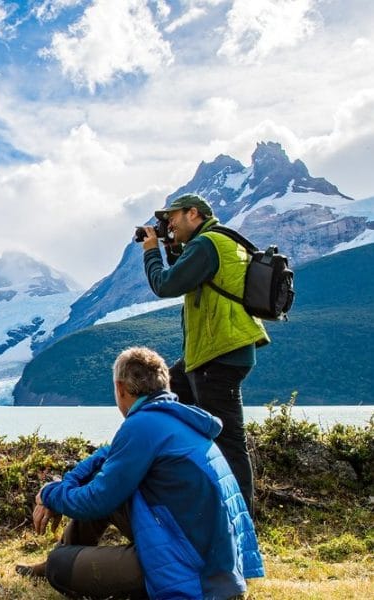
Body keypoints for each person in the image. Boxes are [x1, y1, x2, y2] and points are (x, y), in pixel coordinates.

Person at [20, 347, 264, 599]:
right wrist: (63, 485)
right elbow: (107, 455)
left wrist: (49, 494)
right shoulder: (173, 418)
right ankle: (61, 558)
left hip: (193, 572)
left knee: (59, 565)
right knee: (104, 483)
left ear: (120, 388)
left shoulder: (142, 425)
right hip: (216, 566)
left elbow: (96, 499)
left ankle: (58, 564)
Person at [139, 193, 268, 511]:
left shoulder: (207, 244)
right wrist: (169, 245)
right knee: (164, 402)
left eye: (173, 217)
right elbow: (186, 272)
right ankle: (182, 501)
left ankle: (241, 521)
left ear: (193, 213)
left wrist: (152, 250)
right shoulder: (221, 240)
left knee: (228, 440)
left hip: (217, 354)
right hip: (214, 352)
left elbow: (166, 285)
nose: (169, 223)